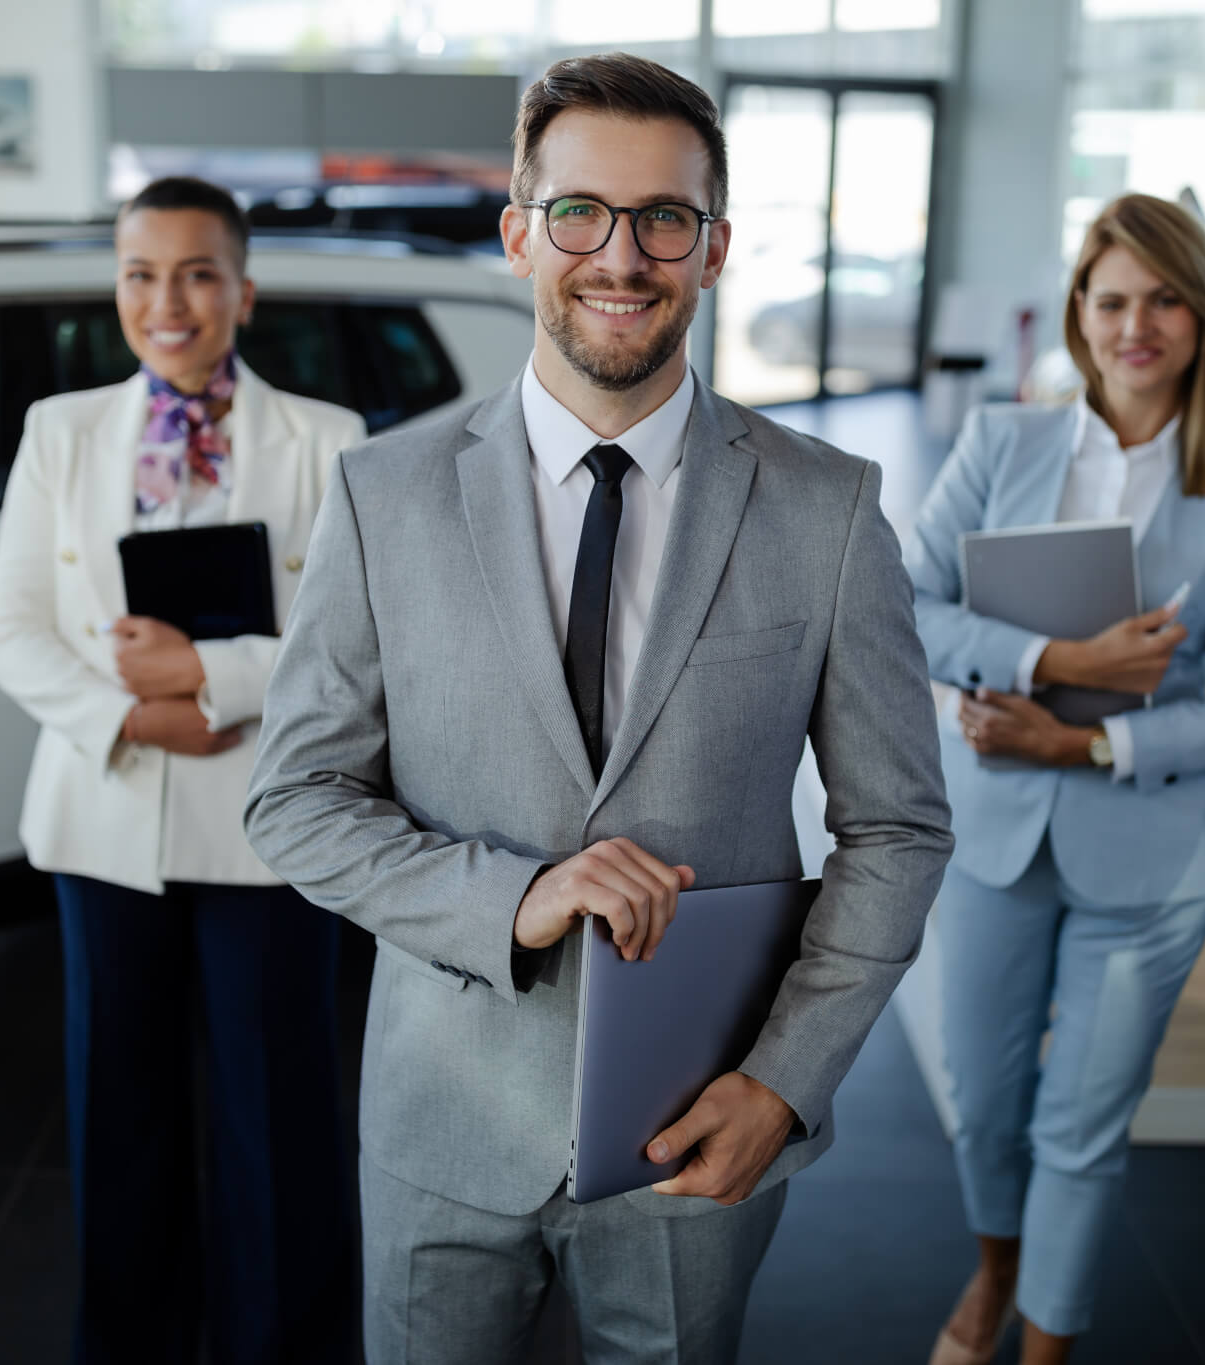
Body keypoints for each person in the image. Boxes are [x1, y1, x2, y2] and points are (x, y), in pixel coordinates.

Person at [244, 52, 953, 1365]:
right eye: (580, 212)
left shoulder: (829, 510)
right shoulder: (381, 497)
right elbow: (291, 798)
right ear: (520, 232)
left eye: (664, 218)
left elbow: (900, 832)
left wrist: (785, 1083)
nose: (620, 256)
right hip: (442, 1124)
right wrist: (511, 898)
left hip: (701, 1126)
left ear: (715, 247)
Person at [903, 193, 1205, 1365]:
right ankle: (992, 1274)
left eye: (1165, 299)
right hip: (992, 837)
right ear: (1078, 314)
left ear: (1200, 317)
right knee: (984, 1105)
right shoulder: (1003, 443)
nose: (1138, 325)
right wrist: (1052, 663)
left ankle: (1043, 1347)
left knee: (1080, 1127)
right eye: (1113, 298)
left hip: (1151, 854)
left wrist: (1086, 739)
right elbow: (902, 602)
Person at [0, 176, 366, 1364]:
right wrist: (135, 720)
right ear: (117, 290)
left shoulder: (326, 442)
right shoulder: (62, 431)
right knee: (118, 1122)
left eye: (198, 273)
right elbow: (9, 631)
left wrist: (209, 677)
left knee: (277, 1126)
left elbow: (346, 644)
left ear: (243, 291)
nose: (169, 302)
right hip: (103, 825)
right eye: (142, 274)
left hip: (267, 827)